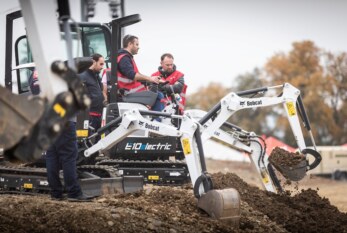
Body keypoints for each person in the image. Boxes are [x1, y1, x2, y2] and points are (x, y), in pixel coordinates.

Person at [28, 69, 92, 202]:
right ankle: (74, 193)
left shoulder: (36, 72)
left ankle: (56, 193)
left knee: (52, 156)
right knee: (68, 157)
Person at [116, 34, 163, 111]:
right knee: (158, 95)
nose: (138, 47)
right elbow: (133, 75)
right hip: (128, 92)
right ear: (130, 44)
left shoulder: (126, 57)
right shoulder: (124, 58)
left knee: (157, 94)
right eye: (136, 44)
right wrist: (150, 79)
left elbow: (136, 76)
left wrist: (153, 79)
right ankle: (156, 120)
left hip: (130, 91)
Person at [79, 53, 105, 140]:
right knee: (88, 141)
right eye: (101, 64)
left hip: (98, 115)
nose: (102, 67)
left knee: (98, 142)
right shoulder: (83, 75)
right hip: (89, 116)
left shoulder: (97, 76)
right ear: (94, 62)